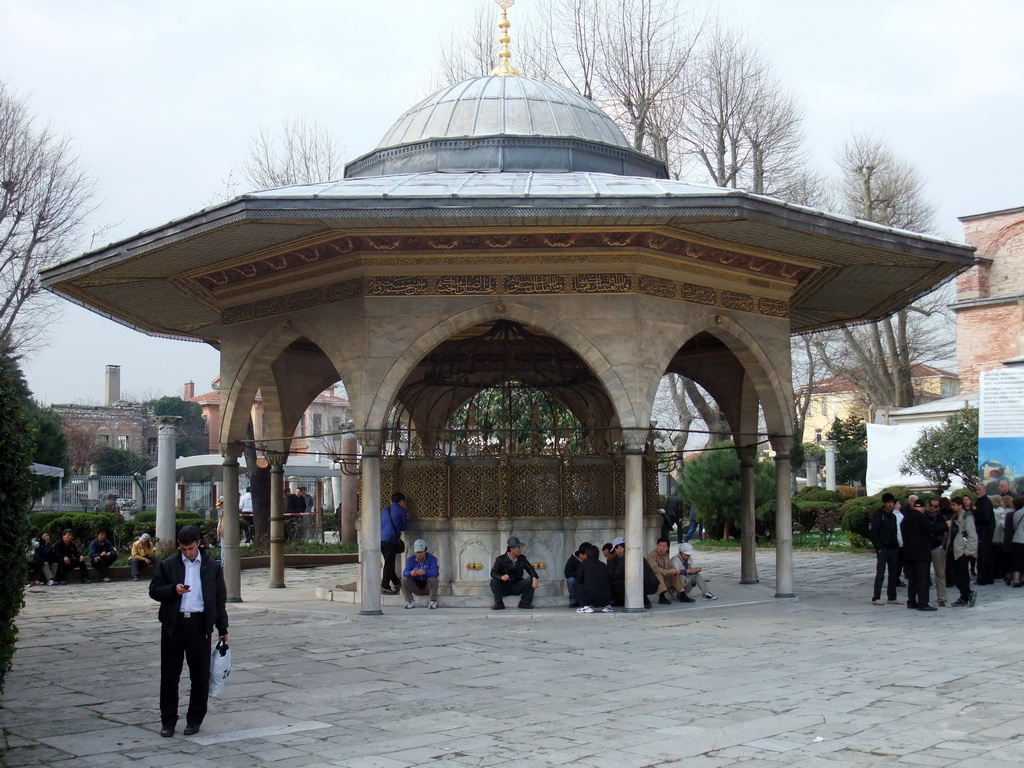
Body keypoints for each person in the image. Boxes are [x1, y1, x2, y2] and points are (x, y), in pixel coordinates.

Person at [149, 524, 228, 738]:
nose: (187, 553)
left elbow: (219, 598)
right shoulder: (169, 565)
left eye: (190, 548)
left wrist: (223, 628)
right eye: (183, 549)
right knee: (170, 676)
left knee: (200, 676)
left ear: (198, 544)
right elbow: (154, 590)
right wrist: (173, 590)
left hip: (199, 625)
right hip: (174, 626)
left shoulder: (211, 566)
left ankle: (194, 720)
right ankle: (168, 721)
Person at [901, 500, 937, 611]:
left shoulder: (906, 518)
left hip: (908, 553)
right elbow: (930, 530)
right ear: (923, 508)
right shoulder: (922, 517)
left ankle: (911, 601)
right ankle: (923, 603)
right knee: (922, 578)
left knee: (912, 579)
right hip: (921, 553)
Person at [869, 493, 901, 606]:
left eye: (892, 502)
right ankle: (876, 597)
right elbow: (874, 532)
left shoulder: (893, 517)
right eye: (888, 502)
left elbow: (895, 532)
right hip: (883, 548)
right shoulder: (879, 515)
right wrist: (878, 547)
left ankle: (892, 596)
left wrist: (897, 546)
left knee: (893, 573)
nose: (890, 505)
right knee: (881, 573)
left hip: (893, 548)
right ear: (884, 503)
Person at [489, 536, 539, 610]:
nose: (520, 550)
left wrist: (534, 578)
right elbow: (493, 572)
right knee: (494, 581)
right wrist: (501, 577)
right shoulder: (500, 559)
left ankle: (525, 602)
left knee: (530, 580)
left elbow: (530, 569)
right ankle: (499, 603)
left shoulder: (522, 558)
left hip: (517, 585)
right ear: (512, 549)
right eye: (518, 548)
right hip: (504, 586)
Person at [948, 498, 978, 607]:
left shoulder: (967, 518)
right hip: (953, 550)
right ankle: (967, 593)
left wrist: (968, 551)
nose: (952, 507)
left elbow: (972, 535)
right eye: (952, 505)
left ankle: (964, 597)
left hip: (962, 550)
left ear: (960, 506)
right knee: (952, 574)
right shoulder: (954, 518)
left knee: (962, 574)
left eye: (954, 505)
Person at [646, 537, 690, 604]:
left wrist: (673, 570)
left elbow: (671, 566)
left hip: (665, 579)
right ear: (657, 546)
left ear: (667, 548)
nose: (661, 548)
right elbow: (654, 569)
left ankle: (682, 594)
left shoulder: (666, 555)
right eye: (660, 546)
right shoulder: (651, 555)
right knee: (658, 575)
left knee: (674, 574)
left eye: (664, 546)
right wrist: (667, 571)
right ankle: (662, 597)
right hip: (654, 582)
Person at [380, 492, 408, 595]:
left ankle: (396, 582)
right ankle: (384, 586)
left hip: (380, 539)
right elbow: (404, 527)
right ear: (401, 501)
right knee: (389, 563)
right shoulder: (401, 511)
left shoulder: (384, 510)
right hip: (391, 539)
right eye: (404, 501)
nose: (405, 504)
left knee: (388, 562)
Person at [401, 538, 439, 609]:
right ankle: (410, 601)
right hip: (416, 585)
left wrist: (425, 572)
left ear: (425, 551)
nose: (419, 554)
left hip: (427, 585)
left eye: (421, 552)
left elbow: (435, 572)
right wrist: (411, 573)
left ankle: (433, 601)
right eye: (417, 552)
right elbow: (405, 572)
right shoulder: (410, 560)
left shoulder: (432, 559)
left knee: (433, 579)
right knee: (404, 580)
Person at [575, 544, 613, 613]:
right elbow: (610, 580)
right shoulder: (604, 565)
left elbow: (579, 579)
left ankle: (586, 606)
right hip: (605, 598)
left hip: (589, 598)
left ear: (586, 555)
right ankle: (606, 606)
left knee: (577, 584)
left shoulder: (583, 565)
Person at [925, 498, 948, 606]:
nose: (933, 508)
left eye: (936, 506)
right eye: (931, 505)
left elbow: (945, 532)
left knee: (940, 573)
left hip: (937, 547)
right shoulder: (923, 517)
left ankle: (942, 598)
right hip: (925, 548)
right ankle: (923, 598)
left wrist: (941, 545)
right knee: (923, 574)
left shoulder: (940, 517)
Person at [973, 483, 996, 585]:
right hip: (983, 531)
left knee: (984, 555)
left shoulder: (985, 502)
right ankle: (985, 576)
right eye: (976, 490)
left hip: (984, 531)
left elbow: (986, 518)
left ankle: (985, 577)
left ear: (984, 490)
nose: (977, 491)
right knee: (983, 554)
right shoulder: (981, 502)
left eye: (979, 489)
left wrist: (975, 517)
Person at [1007, 496, 1024, 587]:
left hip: (1017, 538)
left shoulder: (1017, 513)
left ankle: (1016, 579)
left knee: (1017, 560)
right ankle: (1022, 578)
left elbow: (1014, 526)